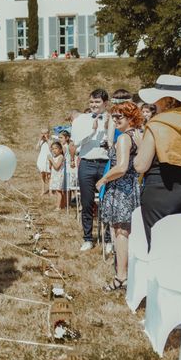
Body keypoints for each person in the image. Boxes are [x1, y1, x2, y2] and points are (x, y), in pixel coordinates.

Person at [134, 75, 181, 249]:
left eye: (157, 99)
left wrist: (140, 147)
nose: (154, 104)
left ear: (167, 101)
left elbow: (141, 165)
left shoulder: (157, 124)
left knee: (159, 246)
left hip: (161, 190)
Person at [96, 101, 143, 291]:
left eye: (119, 117)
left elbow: (122, 167)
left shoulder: (124, 138)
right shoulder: (139, 135)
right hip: (134, 186)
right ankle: (130, 274)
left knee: (121, 232)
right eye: (113, 116)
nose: (115, 120)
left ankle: (121, 277)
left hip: (121, 189)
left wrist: (104, 179)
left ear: (131, 118)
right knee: (130, 232)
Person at [71, 88, 110, 251]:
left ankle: (108, 238)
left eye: (97, 102)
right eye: (91, 102)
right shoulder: (81, 120)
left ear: (105, 103)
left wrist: (108, 128)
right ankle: (88, 238)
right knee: (87, 203)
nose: (94, 105)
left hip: (106, 164)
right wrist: (92, 131)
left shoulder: (111, 118)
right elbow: (76, 142)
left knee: (107, 202)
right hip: (86, 163)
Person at [48, 141, 66, 210]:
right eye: (52, 149)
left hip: (59, 176)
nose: (54, 150)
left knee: (59, 191)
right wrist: (50, 161)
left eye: (56, 148)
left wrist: (51, 159)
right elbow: (51, 167)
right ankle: (62, 205)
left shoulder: (61, 157)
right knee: (57, 191)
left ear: (60, 150)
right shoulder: (54, 157)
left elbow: (57, 167)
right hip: (54, 176)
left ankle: (58, 207)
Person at [36, 128, 51, 195]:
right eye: (42, 133)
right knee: (42, 175)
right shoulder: (41, 141)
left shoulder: (50, 140)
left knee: (49, 175)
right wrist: (39, 139)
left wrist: (47, 139)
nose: (44, 135)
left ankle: (50, 190)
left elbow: (51, 147)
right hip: (42, 158)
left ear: (48, 134)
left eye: (45, 133)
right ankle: (43, 190)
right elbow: (36, 148)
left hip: (48, 159)